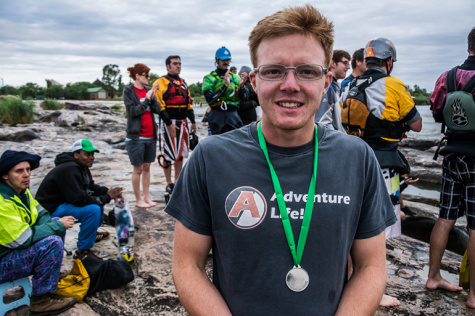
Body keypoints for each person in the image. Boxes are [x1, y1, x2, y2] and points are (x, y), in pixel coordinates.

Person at [166, 5, 397, 315]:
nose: (291, 85)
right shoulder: (210, 158)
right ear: (253, 80)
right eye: (274, 70)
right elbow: (187, 265)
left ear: (326, 81)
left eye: (307, 71)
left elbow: (371, 265)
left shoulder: (357, 158)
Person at [339, 37, 422, 306]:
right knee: (379, 226)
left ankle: (347, 278)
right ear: (388, 62)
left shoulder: (350, 84)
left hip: (351, 158)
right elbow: (418, 124)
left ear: (367, 59)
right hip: (383, 162)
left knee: (353, 221)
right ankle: (372, 289)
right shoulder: (393, 84)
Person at [426, 27, 475, 307]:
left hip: (452, 154)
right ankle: (474, 296)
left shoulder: (447, 76)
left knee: (445, 217)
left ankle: (433, 275)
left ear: (468, 46)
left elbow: (436, 110)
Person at [0, 150, 77, 315]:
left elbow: (41, 214)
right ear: (5, 176)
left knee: (55, 222)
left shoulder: (21, 192)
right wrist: (56, 228)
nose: (26, 175)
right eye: (19, 171)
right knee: (52, 241)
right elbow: (22, 240)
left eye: (28, 170)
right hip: (2, 261)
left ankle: (48, 278)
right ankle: (40, 300)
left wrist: (56, 226)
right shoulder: (2, 202)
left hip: (11, 250)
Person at [36, 139, 124, 260]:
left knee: (99, 203)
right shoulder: (70, 169)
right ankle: (83, 251)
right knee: (93, 209)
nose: (91, 157)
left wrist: (109, 192)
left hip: (63, 204)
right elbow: (78, 200)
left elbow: (91, 186)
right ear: (76, 155)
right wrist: (107, 197)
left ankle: (90, 234)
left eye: (92, 154)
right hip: (49, 212)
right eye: (87, 154)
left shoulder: (81, 167)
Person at [152, 56, 196, 194]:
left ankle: (177, 181)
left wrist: (193, 121)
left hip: (183, 122)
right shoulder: (160, 83)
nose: (178, 66)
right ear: (168, 66)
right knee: (168, 153)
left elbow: (188, 104)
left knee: (180, 153)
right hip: (169, 122)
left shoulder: (183, 83)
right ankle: (169, 183)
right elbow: (159, 106)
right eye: (175, 64)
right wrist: (169, 124)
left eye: (179, 64)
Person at [123, 63, 161, 207]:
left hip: (151, 135)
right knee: (137, 169)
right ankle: (138, 200)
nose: (148, 78)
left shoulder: (148, 90)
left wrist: (152, 97)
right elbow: (132, 112)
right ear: (137, 76)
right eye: (146, 75)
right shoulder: (128, 91)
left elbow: (157, 110)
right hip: (136, 137)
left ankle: (146, 198)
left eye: (148, 75)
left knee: (147, 167)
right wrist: (146, 100)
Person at [202, 46, 243, 135]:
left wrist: (243, 86)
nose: (226, 62)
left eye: (228, 59)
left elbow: (243, 98)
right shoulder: (209, 78)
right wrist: (225, 86)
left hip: (233, 116)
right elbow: (209, 98)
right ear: (217, 60)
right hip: (216, 116)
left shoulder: (235, 77)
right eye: (223, 60)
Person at [314, 49, 351, 123]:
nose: (348, 67)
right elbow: (321, 121)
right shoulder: (327, 87)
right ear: (333, 63)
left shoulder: (335, 86)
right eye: (345, 63)